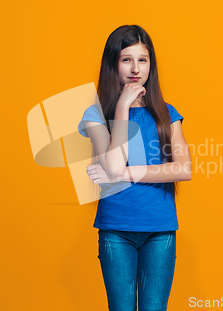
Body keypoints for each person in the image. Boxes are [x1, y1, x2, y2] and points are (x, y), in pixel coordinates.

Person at [77, 24, 192, 311]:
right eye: (126, 59)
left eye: (143, 60)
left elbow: (184, 169)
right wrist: (123, 106)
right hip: (116, 229)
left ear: (151, 65)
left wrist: (125, 174)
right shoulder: (95, 115)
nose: (135, 69)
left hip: (160, 228)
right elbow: (114, 163)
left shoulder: (166, 113)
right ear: (113, 63)